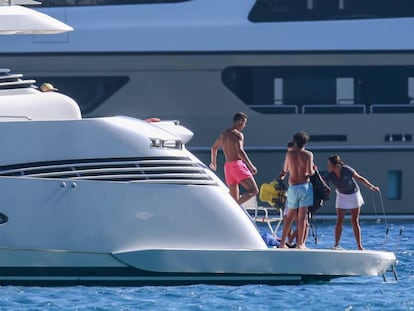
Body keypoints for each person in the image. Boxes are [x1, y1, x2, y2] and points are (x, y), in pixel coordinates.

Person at [324, 155, 380, 251]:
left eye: (330, 164)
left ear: (336, 164)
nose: (328, 166)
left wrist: (371, 187)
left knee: (354, 220)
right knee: (339, 221)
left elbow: (359, 178)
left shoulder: (346, 170)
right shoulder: (330, 175)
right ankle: (336, 244)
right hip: (341, 196)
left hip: (353, 194)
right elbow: (322, 182)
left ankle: (359, 246)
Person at [210, 112, 259, 205]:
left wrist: (213, 163)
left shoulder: (223, 134)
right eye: (244, 123)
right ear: (240, 121)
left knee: (234, 198)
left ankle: (233, 207)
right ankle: (235, 207)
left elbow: (213, 148)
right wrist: (251, 166)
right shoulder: (237, 134)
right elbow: (240, 151)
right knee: (253, 190)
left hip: (228, 167)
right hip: (237, 165)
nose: (244, 126)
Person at [278, 131, 314, 249]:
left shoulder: (290, 154)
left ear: (294, 142)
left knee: (289, 216)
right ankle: (300, 244)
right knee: (302, 217)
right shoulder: (308, 154)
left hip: (293, 186)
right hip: (304, 186)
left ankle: (282, 243)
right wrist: (313, 170)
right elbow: (310, 172)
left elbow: (285, 169)